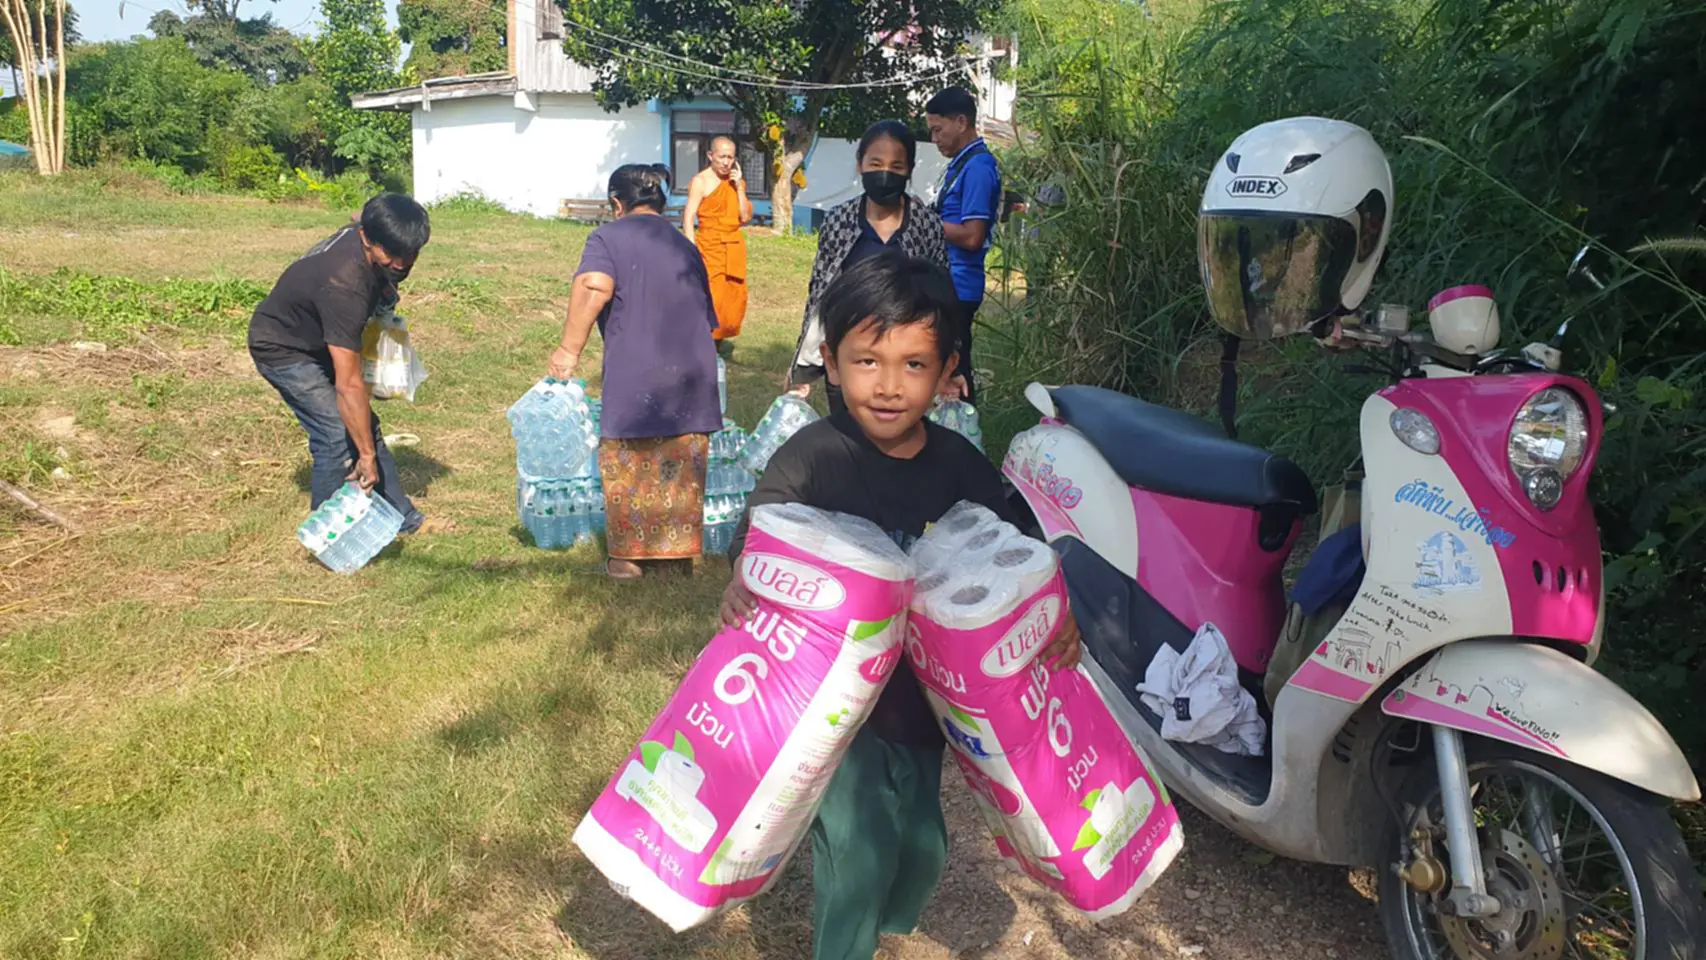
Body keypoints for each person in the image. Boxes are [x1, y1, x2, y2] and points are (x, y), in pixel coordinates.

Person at [720, 253, 1082, 960]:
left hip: (922, 698)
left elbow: (1020, 552)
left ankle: (889, 913)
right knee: (855, 842)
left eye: (913, 365)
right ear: (831, 362)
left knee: (922, 842)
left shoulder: (958, 464)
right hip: (829, 700)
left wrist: (1055, 615)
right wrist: (744, 575)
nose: (888, 386)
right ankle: (845, 944)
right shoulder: (814, 455)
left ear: (947, 372)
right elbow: (761, 528)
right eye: (867, 362)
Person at [549, 164, 722, 580]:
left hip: (638, 372)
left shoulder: (608, 237)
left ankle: (628, 558)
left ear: (616, 203)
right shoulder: (684, 245)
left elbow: (593, 285)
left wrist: (568, 350)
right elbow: (706, 314)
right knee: (679, 462)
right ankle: (676, 556)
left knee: (629, 460)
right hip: (692, 377)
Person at [248, 193, 434, 533]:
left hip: (317, 335)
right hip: (282, 347)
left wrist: (366, 444)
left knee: (364, 426)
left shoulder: (368, 228)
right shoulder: (344, 287)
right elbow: (349, 385)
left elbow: (359, 214)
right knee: (334, 433)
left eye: (410, 253)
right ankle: (328, 535)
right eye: (391, 253)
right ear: (366, 238)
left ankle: (403, 519)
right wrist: (366, 456)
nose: (401, 263)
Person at [785, 119, 952, 414]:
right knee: (847, 431)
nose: (885, 173)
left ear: (909, 170)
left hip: (905, 357)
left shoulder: (926, 224)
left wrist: (951, 360)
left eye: (896, 166)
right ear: (860, 164)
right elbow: (820, 290)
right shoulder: (839, 220)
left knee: (897, 430)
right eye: (875, 163)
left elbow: (942, 295)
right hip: (849, 351)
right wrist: (803, 365)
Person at [925, 86, 1003, 406]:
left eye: (938, 130)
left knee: (956, 370)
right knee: (945, 366)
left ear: (961, 122)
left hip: (960, 285)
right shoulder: (962, 163)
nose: (934, 139)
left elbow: (972, 236)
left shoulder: (979, 167)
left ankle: (965, 430)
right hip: (947, 280)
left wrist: (923, 220)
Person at [683, 135, 753, 359]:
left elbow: (745, 217)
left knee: (733, 296)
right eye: (721, 156)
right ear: (710, 156)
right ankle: (703, 343)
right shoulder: (700, 181)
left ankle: (717, 341)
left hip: (733, 245)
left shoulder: (736, 183)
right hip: (710, 245)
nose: (726, 162)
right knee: (712, 295)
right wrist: (691, 248)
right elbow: (689, 216)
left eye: (730, 157)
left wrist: (739, 187)